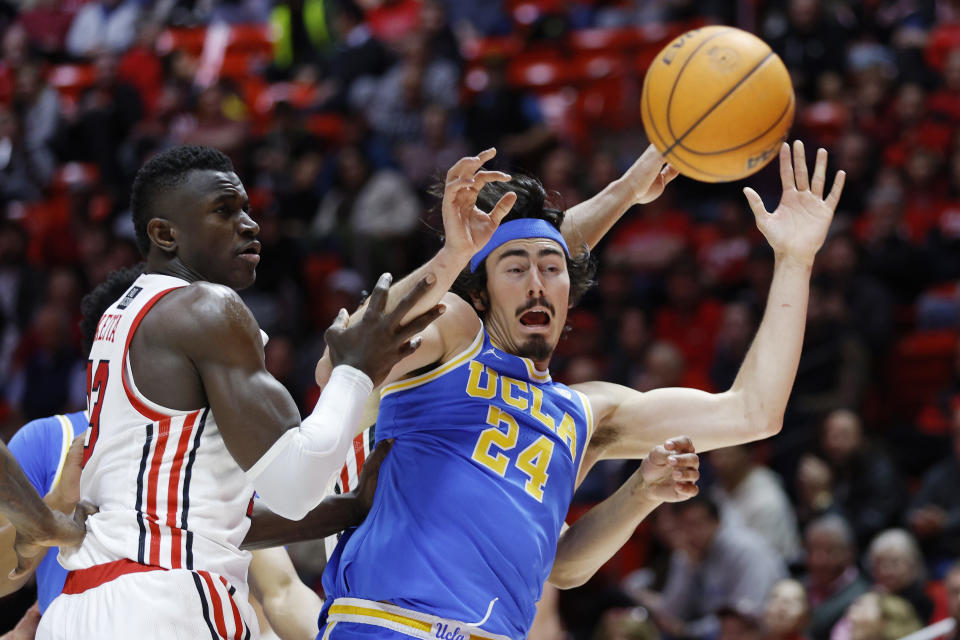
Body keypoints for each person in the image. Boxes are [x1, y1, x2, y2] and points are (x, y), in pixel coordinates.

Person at [314, 140, 845, 640]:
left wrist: (795, 260)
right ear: (479, 291)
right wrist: (455, 255)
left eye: (551, 270)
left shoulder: (587, 412)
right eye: (515, 269)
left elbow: (754, 412)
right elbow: (340, 363)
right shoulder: (452, 333)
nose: (536, 283)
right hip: (387, 623)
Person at [35, 145, 445, 639]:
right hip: (168, 602)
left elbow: (211, 517)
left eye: (247, 209)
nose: (249, 224)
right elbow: (294, 484)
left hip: (83, 605)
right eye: (223, 211)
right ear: (165, 234)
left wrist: (352, 505)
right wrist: (355, 371)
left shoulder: (123, 315)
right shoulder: (205, 307)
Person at [628, 495, 787, 639]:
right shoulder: (687, 552)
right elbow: (671, 613)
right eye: (684, 526)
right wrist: (689, 567)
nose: (691, 533)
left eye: (696, 524)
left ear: (717, 522)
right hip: (705, 631)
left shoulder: (746, 550)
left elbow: (745, 618)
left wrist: (688, 630)